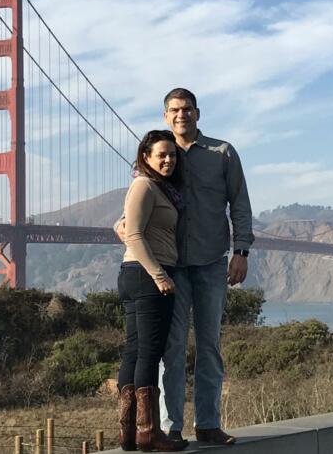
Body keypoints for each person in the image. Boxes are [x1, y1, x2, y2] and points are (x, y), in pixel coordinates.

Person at [117, 88, 254, 446]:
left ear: (198, 113)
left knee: (210, 345)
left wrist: (242, 251)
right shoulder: (161, 156)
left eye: (188, 109)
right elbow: (134, 209)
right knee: (171, 349)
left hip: (211, 262)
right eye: (175, 110)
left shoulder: (223, 153)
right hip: (172, 267)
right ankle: (170, 426)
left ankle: (208, 424)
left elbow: (239, 202)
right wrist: (126, 231)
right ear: (166, 116)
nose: (182, 115)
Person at [117, 130, 185, 452]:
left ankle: (129, 433)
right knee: (148, 354)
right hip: (147, 276)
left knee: (134, 351)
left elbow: (125, 227)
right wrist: (160, 276)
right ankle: (149, 433)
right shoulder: (144, 185)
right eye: (162, 154)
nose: (168, 160)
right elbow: (134, 236)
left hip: (136, 275)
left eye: (172, 155)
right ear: (145, 156)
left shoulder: (155, 187)